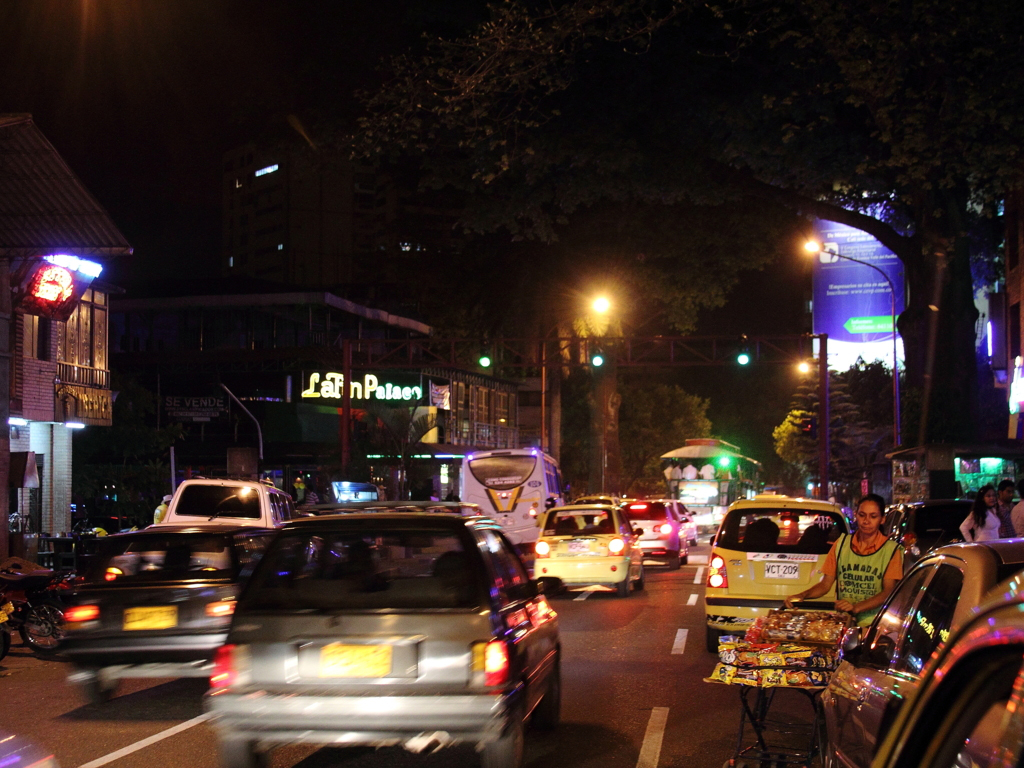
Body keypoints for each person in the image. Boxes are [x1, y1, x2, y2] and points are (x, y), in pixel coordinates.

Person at [784, 494, 902, 627]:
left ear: (882, 519)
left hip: (875, 624)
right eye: (862, 515)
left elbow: (888, 592)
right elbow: (825, 585)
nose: (866, 521)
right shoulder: (841, 544)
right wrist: (802, 595)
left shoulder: (891, 550)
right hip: (845, 622)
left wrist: (855, 607)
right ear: (856, 515)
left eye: (873, 516)